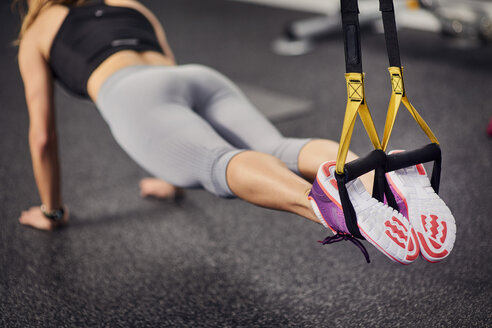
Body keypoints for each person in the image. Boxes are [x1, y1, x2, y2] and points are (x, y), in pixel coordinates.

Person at [15, 0, 455, 264]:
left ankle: (331, 207)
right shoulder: (130, 6)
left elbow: (42, 136)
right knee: (277, 146)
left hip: (131, 94)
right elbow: (171, 84)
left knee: (216, 162)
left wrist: (53, 212)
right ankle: (369, 178)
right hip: (195, 77)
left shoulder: (38, 29)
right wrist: (169, 178)